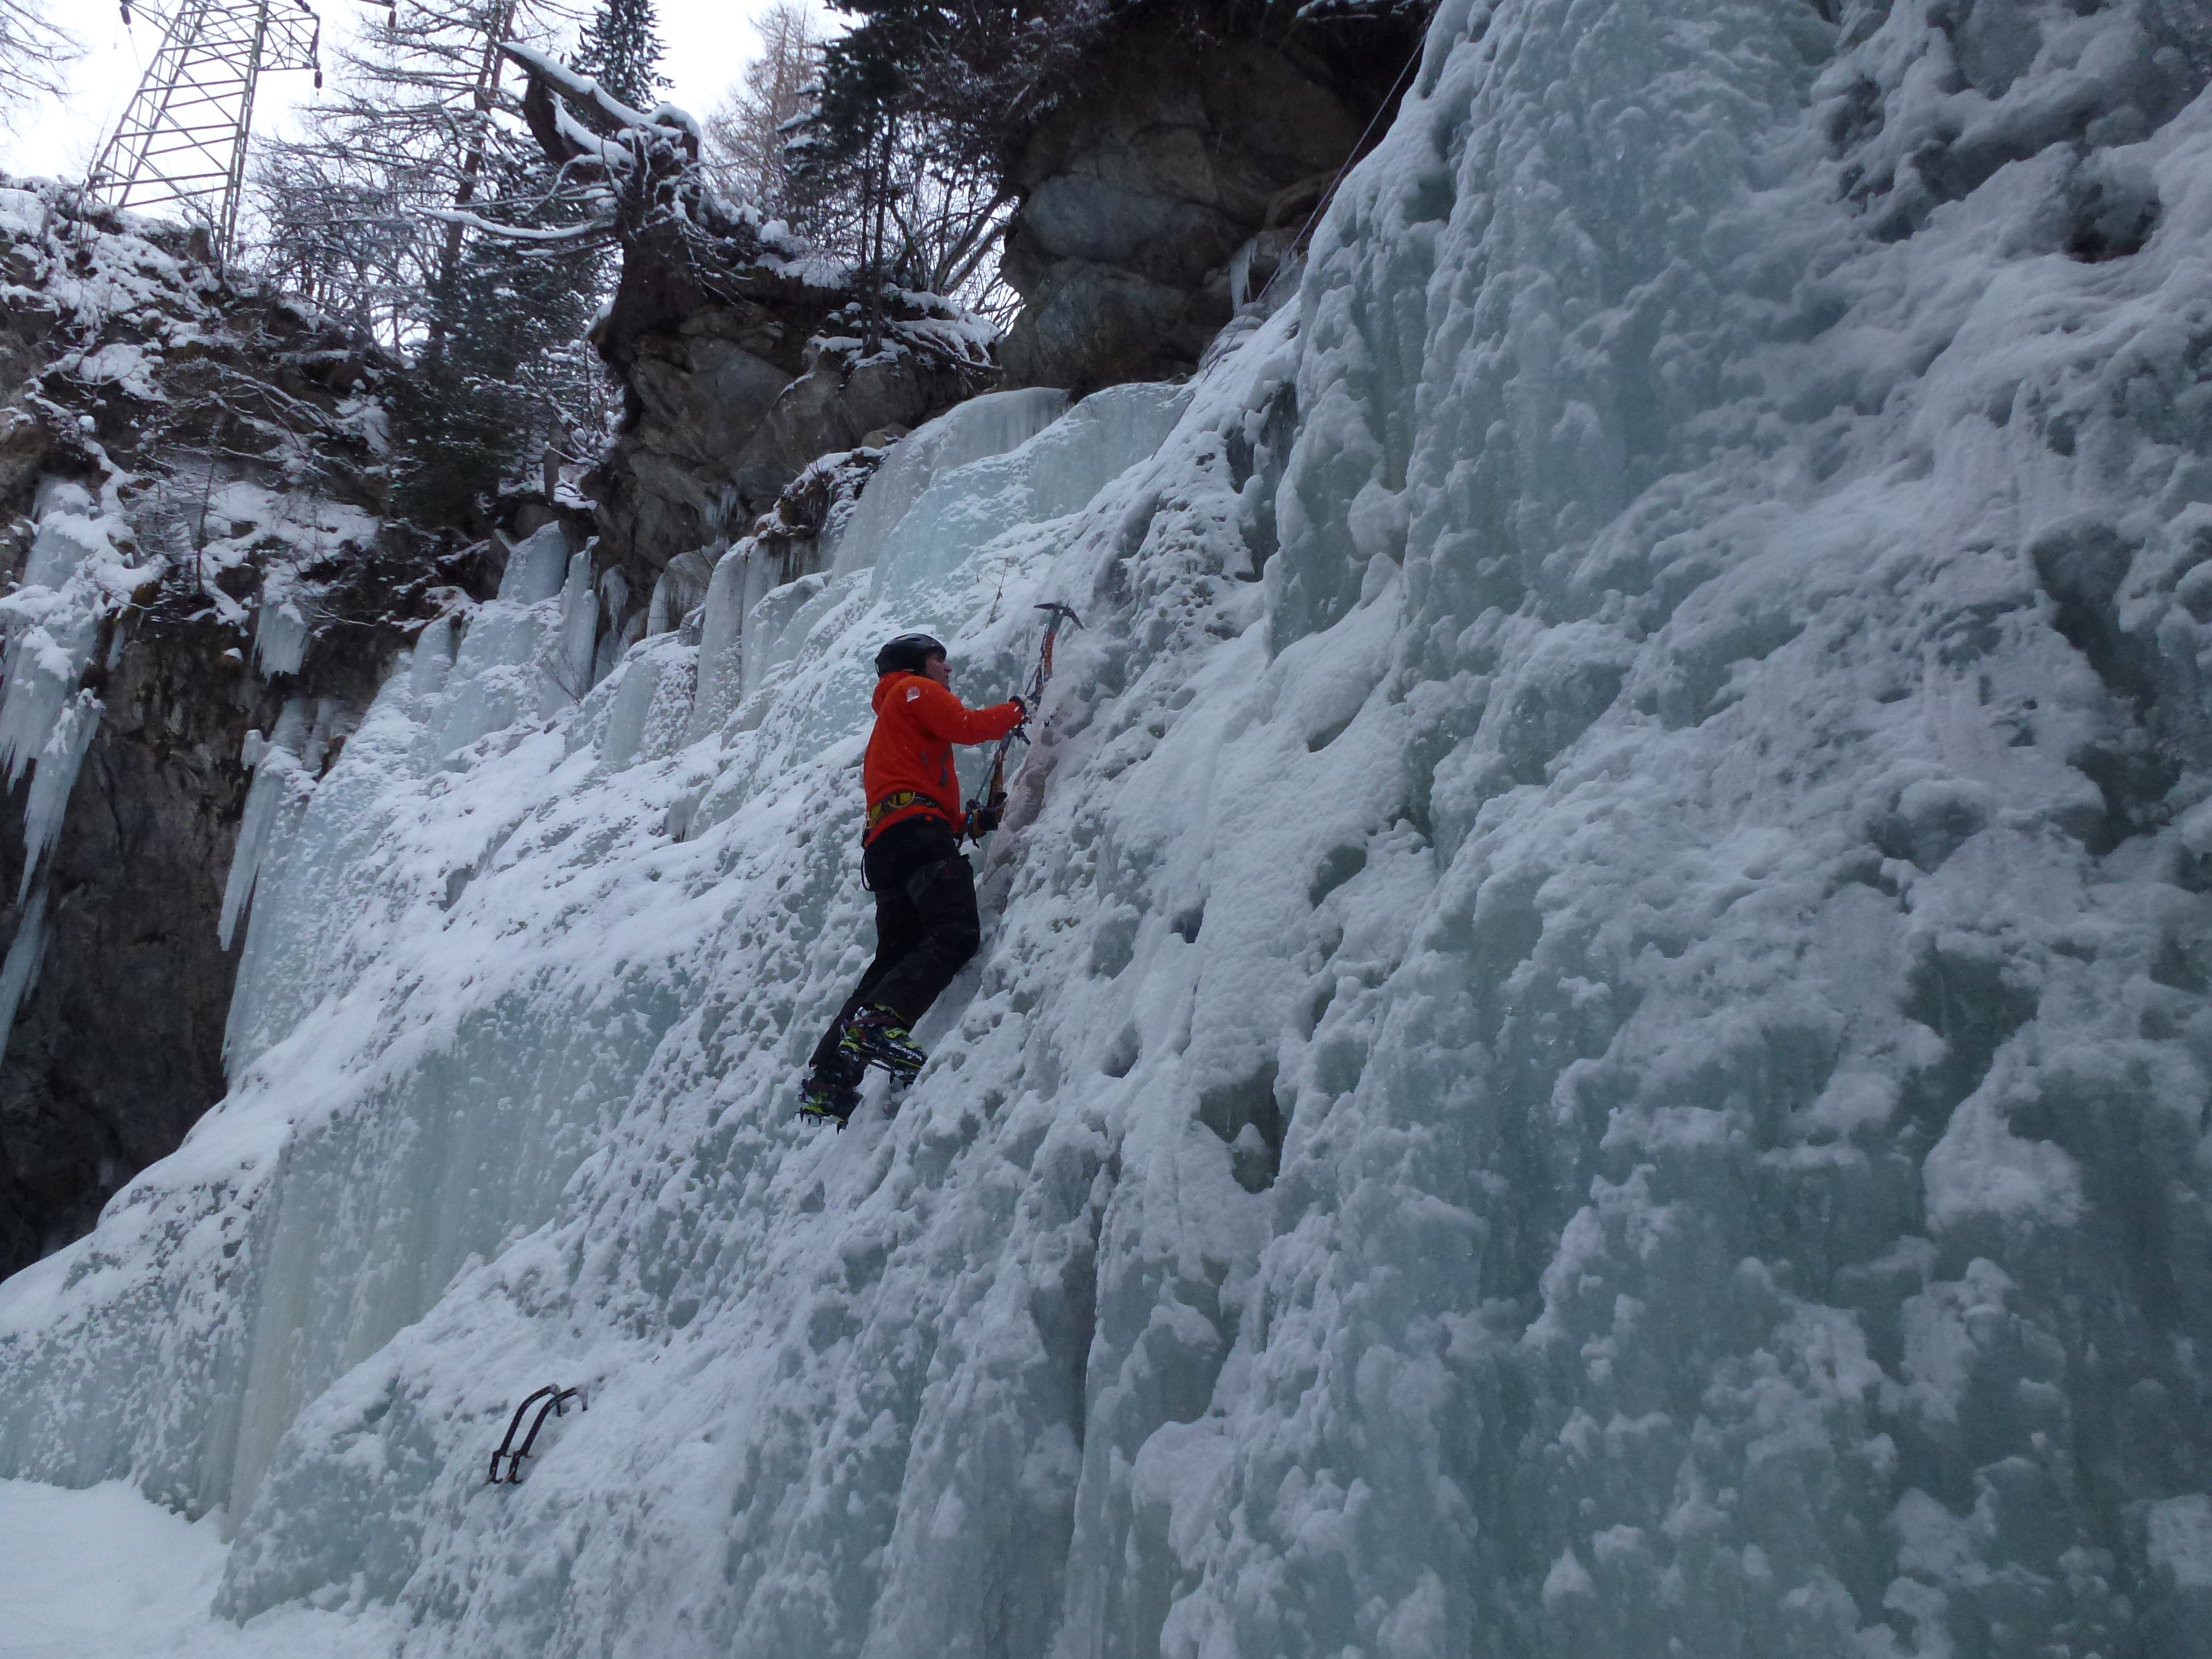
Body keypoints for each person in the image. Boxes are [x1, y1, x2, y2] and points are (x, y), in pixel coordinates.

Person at [799, 632, 1027, 1123]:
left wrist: (969, 825)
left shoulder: (891, 724)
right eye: (938, 661)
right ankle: (883, 1020)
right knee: (954, 933)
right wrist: (1016, 711)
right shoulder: (910, 691)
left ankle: (830, 1076)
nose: (948, 670)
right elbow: (965, 726)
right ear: (915, 665)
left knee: (893, 958)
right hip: (917, 836)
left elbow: (914, 797)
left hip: (890, 846)